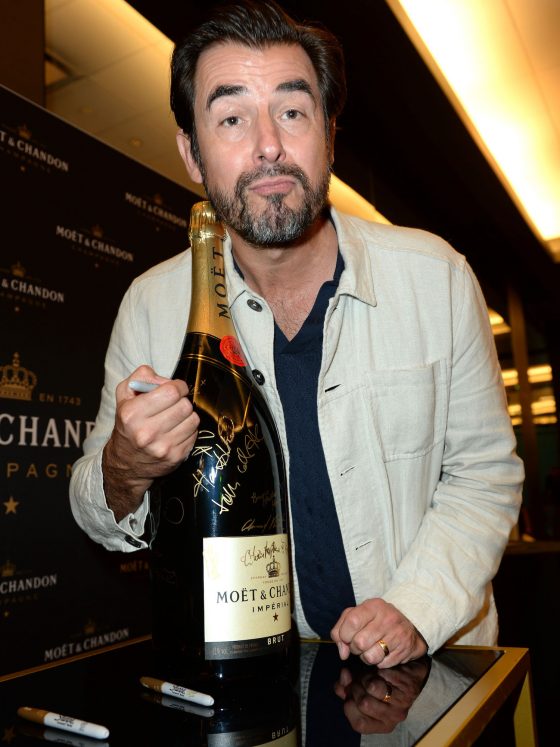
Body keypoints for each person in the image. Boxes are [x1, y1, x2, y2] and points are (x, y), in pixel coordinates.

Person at [69, 0, 523, 669]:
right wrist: (125, 466)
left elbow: (483, 475)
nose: (268, 145)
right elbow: (91, 503)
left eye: (292, 111)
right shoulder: (151, 305)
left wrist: (417, 607)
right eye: (231, 118)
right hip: (269, 677)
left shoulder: (438, 278)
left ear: (329, 135)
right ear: (192, 153)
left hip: (443, 670)